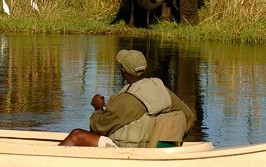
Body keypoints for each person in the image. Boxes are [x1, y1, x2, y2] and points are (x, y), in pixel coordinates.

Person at [59, 49, 195, 147]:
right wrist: (169, 143)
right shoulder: (162, 89)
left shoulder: (127, 100)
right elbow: (189, 116)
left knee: (76, 134)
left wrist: (98, 108)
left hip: (127, 149)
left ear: (123, 71)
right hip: (150, 147)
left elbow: (98, 127)